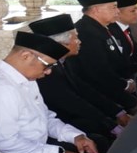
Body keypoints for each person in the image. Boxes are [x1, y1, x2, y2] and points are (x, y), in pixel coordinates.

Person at [27, 14, 125, 142]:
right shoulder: (45, 71)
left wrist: (117, 112)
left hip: (72, 114)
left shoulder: (65, 61)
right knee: (100, 136)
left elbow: (84, 90)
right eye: (76, 38)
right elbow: (71, 102)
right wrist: (111, 125)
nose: (80, 41)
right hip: (57, 122)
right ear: (62, 44)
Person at [73, 0, 137, 114]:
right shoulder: (86, 32)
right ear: (96, 10)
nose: (118, 11)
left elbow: (119, 62)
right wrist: (125, 85)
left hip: (117, 85)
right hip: (102, 93)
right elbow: (98, 73)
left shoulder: (102, 27)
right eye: (113, 7)